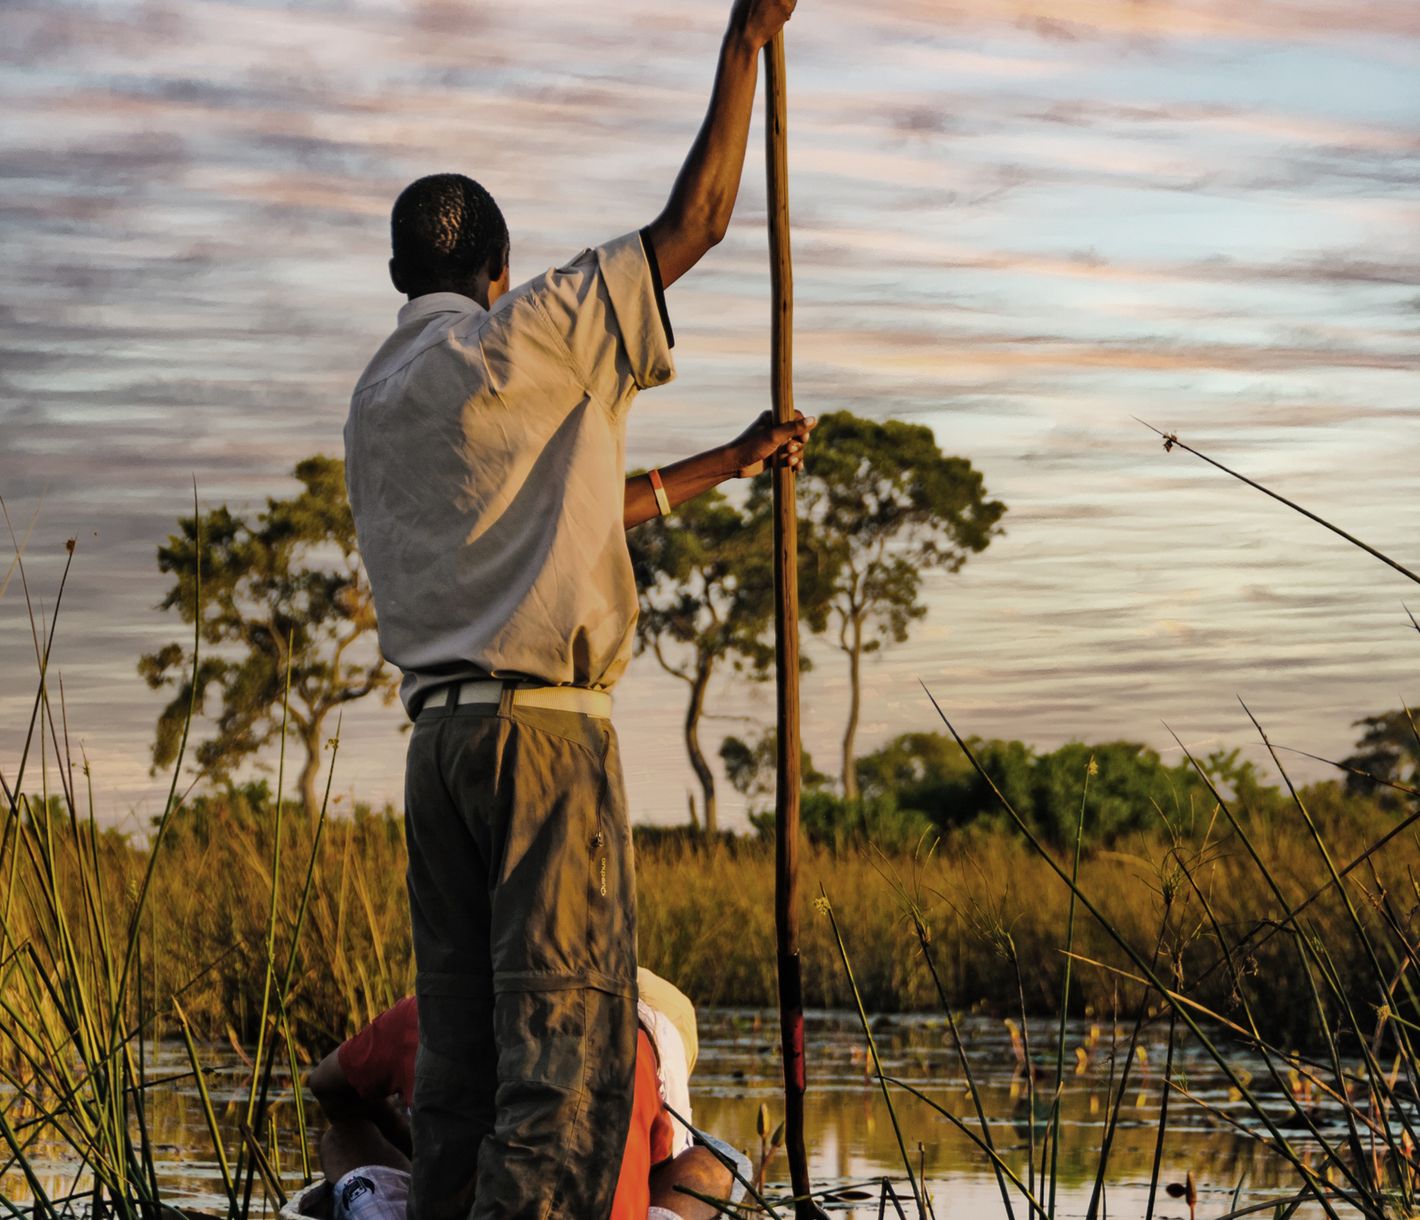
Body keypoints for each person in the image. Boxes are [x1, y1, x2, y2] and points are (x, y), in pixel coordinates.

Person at [343, 0, 805, 1215]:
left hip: (439, 750)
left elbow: (573, 513)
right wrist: (744, 42)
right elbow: (698, 222)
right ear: (500, 269)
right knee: (563, 1071)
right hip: (540, 744)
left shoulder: (379, 397)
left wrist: (730, 461)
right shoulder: (528, 332)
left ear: (398, 278)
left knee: (460, 1072)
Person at [308, 975, 743, 1220]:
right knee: (712, 1163)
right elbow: (656, 1166)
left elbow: (326, 1086)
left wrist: (410, 1142)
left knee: (342, 1138)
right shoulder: (632, 1040)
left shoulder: (422, 1014)